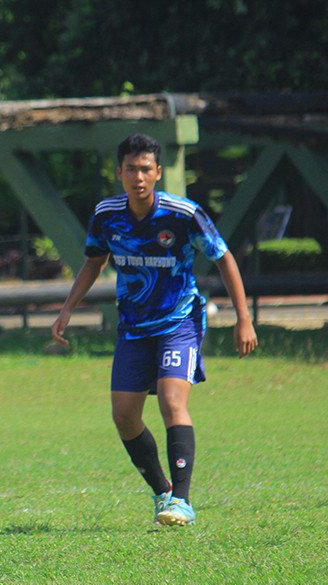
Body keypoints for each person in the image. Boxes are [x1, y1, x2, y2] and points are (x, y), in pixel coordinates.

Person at [51, 133, 257, 527]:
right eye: (131, 169)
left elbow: (224, 257)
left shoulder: (184, 214)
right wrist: (67, 310)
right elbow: (93, 262)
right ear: (119, 173)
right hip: (133, 327)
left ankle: (182, 500)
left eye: (146, 169)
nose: (138, 176)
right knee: (124, 416)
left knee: (170, 401)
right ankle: (162, 491)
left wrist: (242, 318)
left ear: (158, 173)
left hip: (179, 321)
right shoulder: (107, 214)